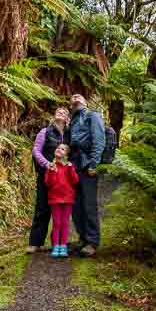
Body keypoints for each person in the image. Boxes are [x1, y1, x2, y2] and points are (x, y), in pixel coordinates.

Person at [26, 107, 70, 254]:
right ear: (54, 115)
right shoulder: (45, 131)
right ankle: (35, 243)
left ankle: (57, 243)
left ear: (67, 118)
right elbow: (36, 151)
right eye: (58, 111)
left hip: (64, 179)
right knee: (42, 208)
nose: (61, 113)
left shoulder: (69, 134)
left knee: (61, 210)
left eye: (64, 113)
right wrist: (47, 164)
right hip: (47, 176)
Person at [68, 94, 105, 257]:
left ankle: (92, 241)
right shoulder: (72, 122)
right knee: (76, 205)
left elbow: (99, 140)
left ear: (85, 102)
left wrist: (94, 164)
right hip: (73, 167)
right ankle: (83, 238)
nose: (75, 97)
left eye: (79, 96)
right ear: (71, 105)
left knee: (89, 205)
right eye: (72, 97)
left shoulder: (93, 116)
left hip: (87, 166)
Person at [44, 144, 79, 258]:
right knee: (56, 223)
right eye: (58, 148)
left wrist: (71, 169)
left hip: (67, 199)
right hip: (55, 199)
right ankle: (56, 246)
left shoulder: (69, 166)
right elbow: (48, 183)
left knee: (65, 223)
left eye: (63, 149)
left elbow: (75, 181)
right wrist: (52, 171)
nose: (59, 149)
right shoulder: (51, 166)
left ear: (67, 154)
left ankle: (63, 246)